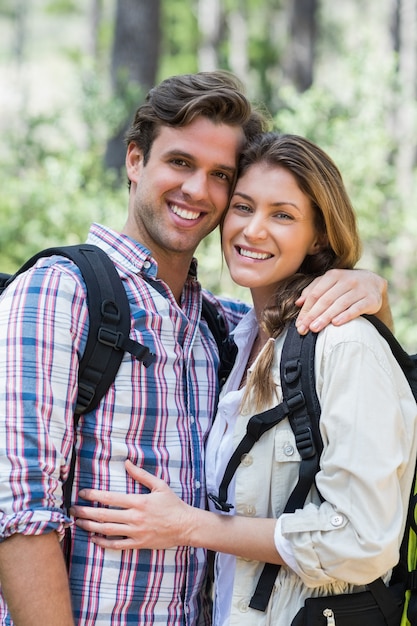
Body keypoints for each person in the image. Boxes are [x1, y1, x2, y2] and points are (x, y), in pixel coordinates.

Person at [0, 69, 390, 626]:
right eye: (180, 163)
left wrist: (372, 291)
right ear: (135, 161)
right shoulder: (60, 291)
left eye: (220, 176)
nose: (197, 190)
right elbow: (20, 514)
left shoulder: (220, 328)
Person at [71, 132, 417, 626]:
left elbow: (362, 540)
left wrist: (190, 526)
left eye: (282, 214)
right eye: (243, 207)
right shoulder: (232, 337)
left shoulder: (344, 344)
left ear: (318, 235)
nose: (253, 230)